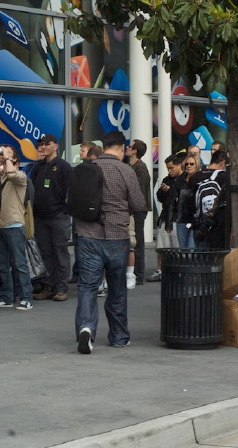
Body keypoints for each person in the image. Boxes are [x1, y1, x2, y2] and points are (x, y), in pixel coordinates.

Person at [74, 131, 146, 354]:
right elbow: (139, 203)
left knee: (87, 286)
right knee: (117, 288)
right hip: (117, 237)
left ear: (102, 146)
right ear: (122, 148)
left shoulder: (87, 169)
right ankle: (119, 336)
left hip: (87, 235)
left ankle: (86, 328)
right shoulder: (125, 170)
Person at [31, 134, 72, 301]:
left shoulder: (63, 166)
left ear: (55, 146)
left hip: (58, 217)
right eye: (41, 144)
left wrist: (63, 210)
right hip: (40, 217)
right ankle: (48, 286)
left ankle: (61, 288)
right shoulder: (38, 166)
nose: (43, 147)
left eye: (47, 144)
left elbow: (70, 192)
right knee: (45, 253)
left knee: (60, 252)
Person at [0, 145, 33, 310]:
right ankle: (7, 296)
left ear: (15, 160)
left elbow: (12, 173)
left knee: (19, 264)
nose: (1, 157)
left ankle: (26, 298)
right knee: (2, 264)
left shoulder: (20, 176)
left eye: (6, 156)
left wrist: (8, 160)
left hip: (14, 224)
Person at [147, 154, 184, 282]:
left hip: (178, 218)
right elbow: (160, 198)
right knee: (162, 246)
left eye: (171, 168)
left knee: (176, 247)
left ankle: (177, 271)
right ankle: (160, 270)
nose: (169, 171)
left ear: (179, 165)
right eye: (168, 168)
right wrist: (163, 191)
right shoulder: (167, 179)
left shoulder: (184, 180)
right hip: (166, 216)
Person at [125, 139, 152, 286]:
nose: (127, 148)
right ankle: (134, 271)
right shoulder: (130, 165)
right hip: (133, 208)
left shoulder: (140, 168)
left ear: (135, 150)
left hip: (138, 209)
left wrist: (134, 206)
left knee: (138, 241)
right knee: (133, 240)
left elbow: (140, 190)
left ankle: (139, 274)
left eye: (130, 146)